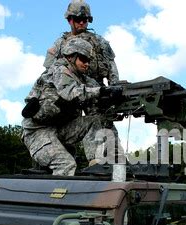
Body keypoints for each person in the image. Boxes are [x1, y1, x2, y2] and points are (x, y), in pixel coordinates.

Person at [21, 37, 124, 176]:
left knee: (94, 120)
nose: (87, 64)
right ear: (70, 57)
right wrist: (102, 91)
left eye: (89, 60)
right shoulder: (59, 70)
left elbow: (97, 97)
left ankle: (96, 164)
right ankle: (57, 197)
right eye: (83, 59)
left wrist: (116, 96)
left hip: (60, 129)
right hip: (38, 133)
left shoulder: (83, 79)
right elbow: (71, 92)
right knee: (66, 165)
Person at [44, 0, 119, 86]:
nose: (81, 23)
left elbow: (112, 69)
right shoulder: (59, 44)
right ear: (69, 20)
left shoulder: (99, 41)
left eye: (84, 19)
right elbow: (49, 72)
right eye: (78, 19)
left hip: (96, 91)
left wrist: (114, 89)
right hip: (69, 92)